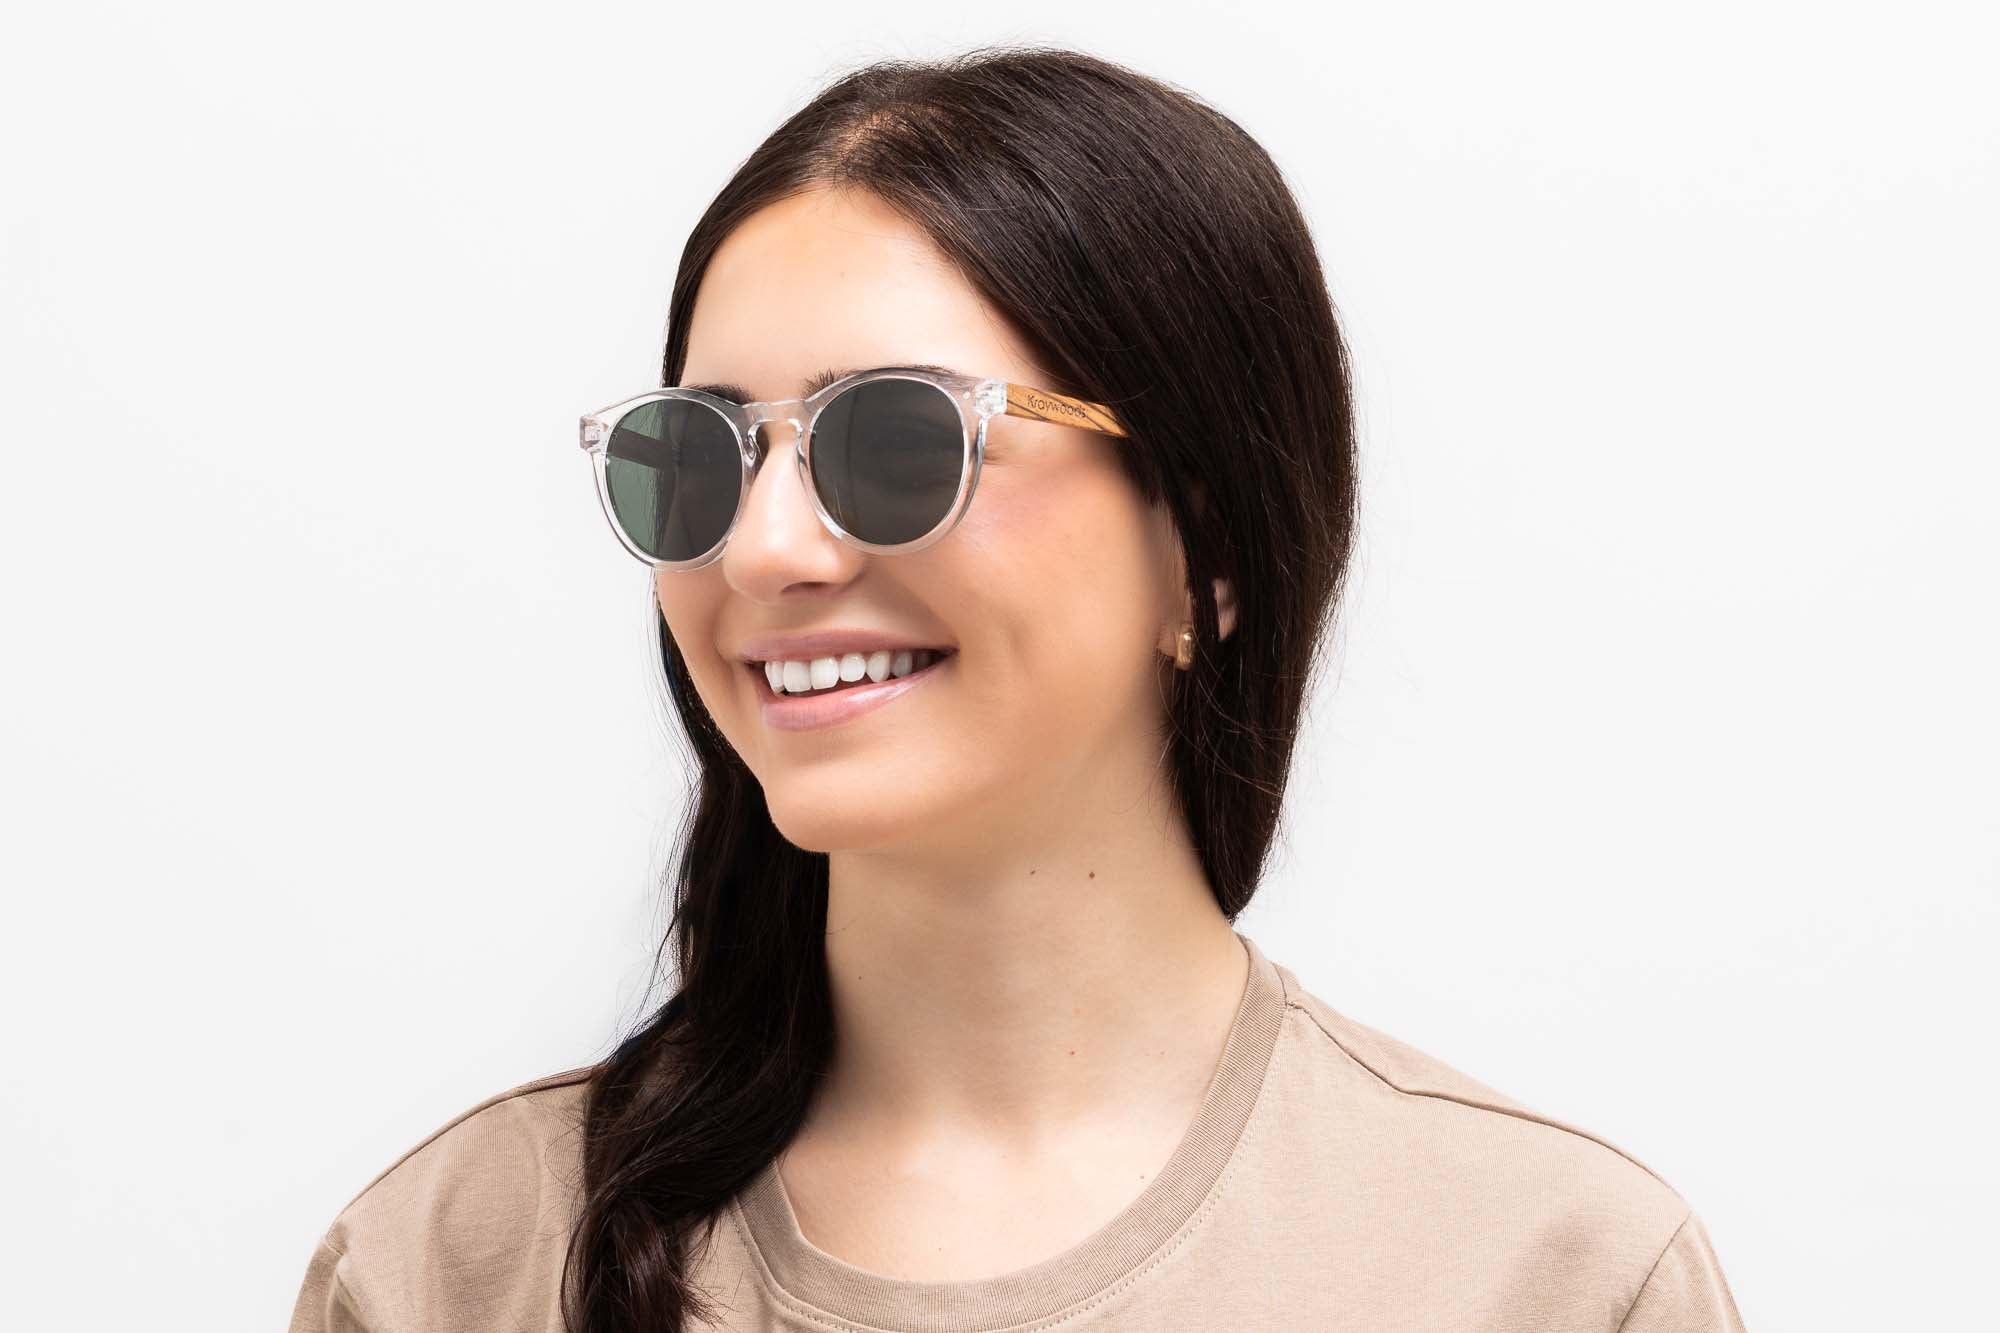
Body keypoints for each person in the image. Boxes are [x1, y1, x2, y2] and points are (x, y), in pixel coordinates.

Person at [288, 45, 1747, 1333]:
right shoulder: (450, 1266)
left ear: (1205, 552)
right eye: (702, 457)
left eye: (900, 444)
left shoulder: (1552, 1278)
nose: (767, 549)